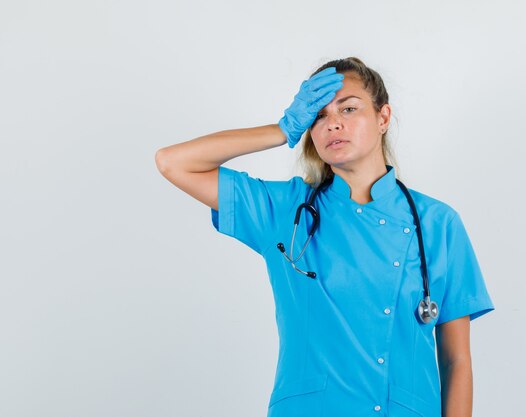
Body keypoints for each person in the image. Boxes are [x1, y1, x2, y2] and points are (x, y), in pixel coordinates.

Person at [155, 56, 495, 417]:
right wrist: (282, 129)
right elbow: (173, 162)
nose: (333, 123)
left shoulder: (437, 223)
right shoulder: (285, 210)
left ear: (383, 118)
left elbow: (457, 361)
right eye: (317, 115)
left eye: (348, 109)